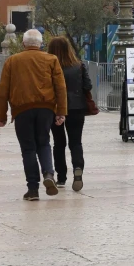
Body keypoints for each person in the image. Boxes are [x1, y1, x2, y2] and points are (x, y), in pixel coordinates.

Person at [0, 29, 66, 201]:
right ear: (40, 43)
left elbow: (3, 90)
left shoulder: (13, 61)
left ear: (24, 44)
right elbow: (60, 87)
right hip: (46, 108)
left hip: (22, 109)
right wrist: (61, 111)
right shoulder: (51, 59)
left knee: (28, 149)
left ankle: (33, 189)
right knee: (44, 143)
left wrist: (1, 115)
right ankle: (48, 173)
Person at [47, 37, 91, 191]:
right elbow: (88, 85)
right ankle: (78, 168)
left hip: (56, 108)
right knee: (76, 142)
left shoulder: (49, 66)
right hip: (77, 107)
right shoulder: (79, 65)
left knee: (58, 143)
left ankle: (61, 177)